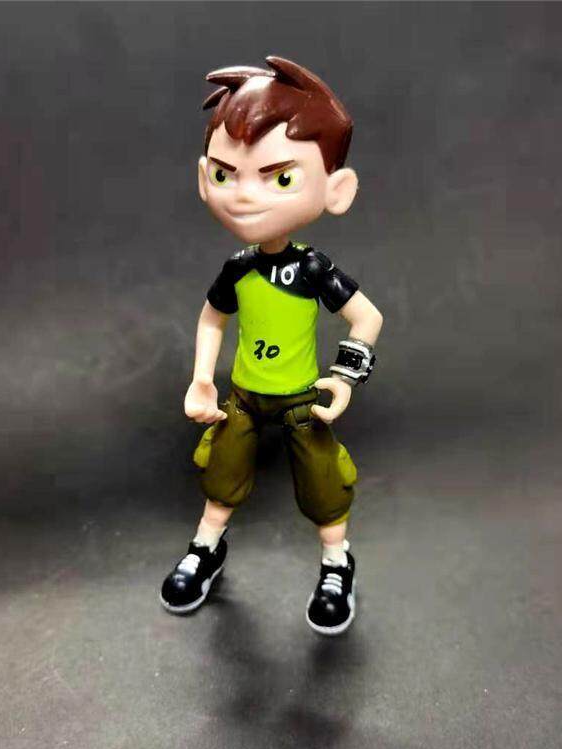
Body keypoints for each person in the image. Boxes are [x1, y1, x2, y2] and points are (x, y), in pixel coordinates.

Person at [160, 56, 383, 635]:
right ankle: (206, 547)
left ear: (337, 190)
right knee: (223, 470)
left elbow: (367, 318)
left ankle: (336, 562)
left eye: (280, 178)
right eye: (225, 175)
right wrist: (202, 377)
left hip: (301, 398)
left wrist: (345, 377)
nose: (243, 196)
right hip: (243, 395)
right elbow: (212, 318)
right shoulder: (238, 269)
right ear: (203, 177)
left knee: (323, 481)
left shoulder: (312, 269)